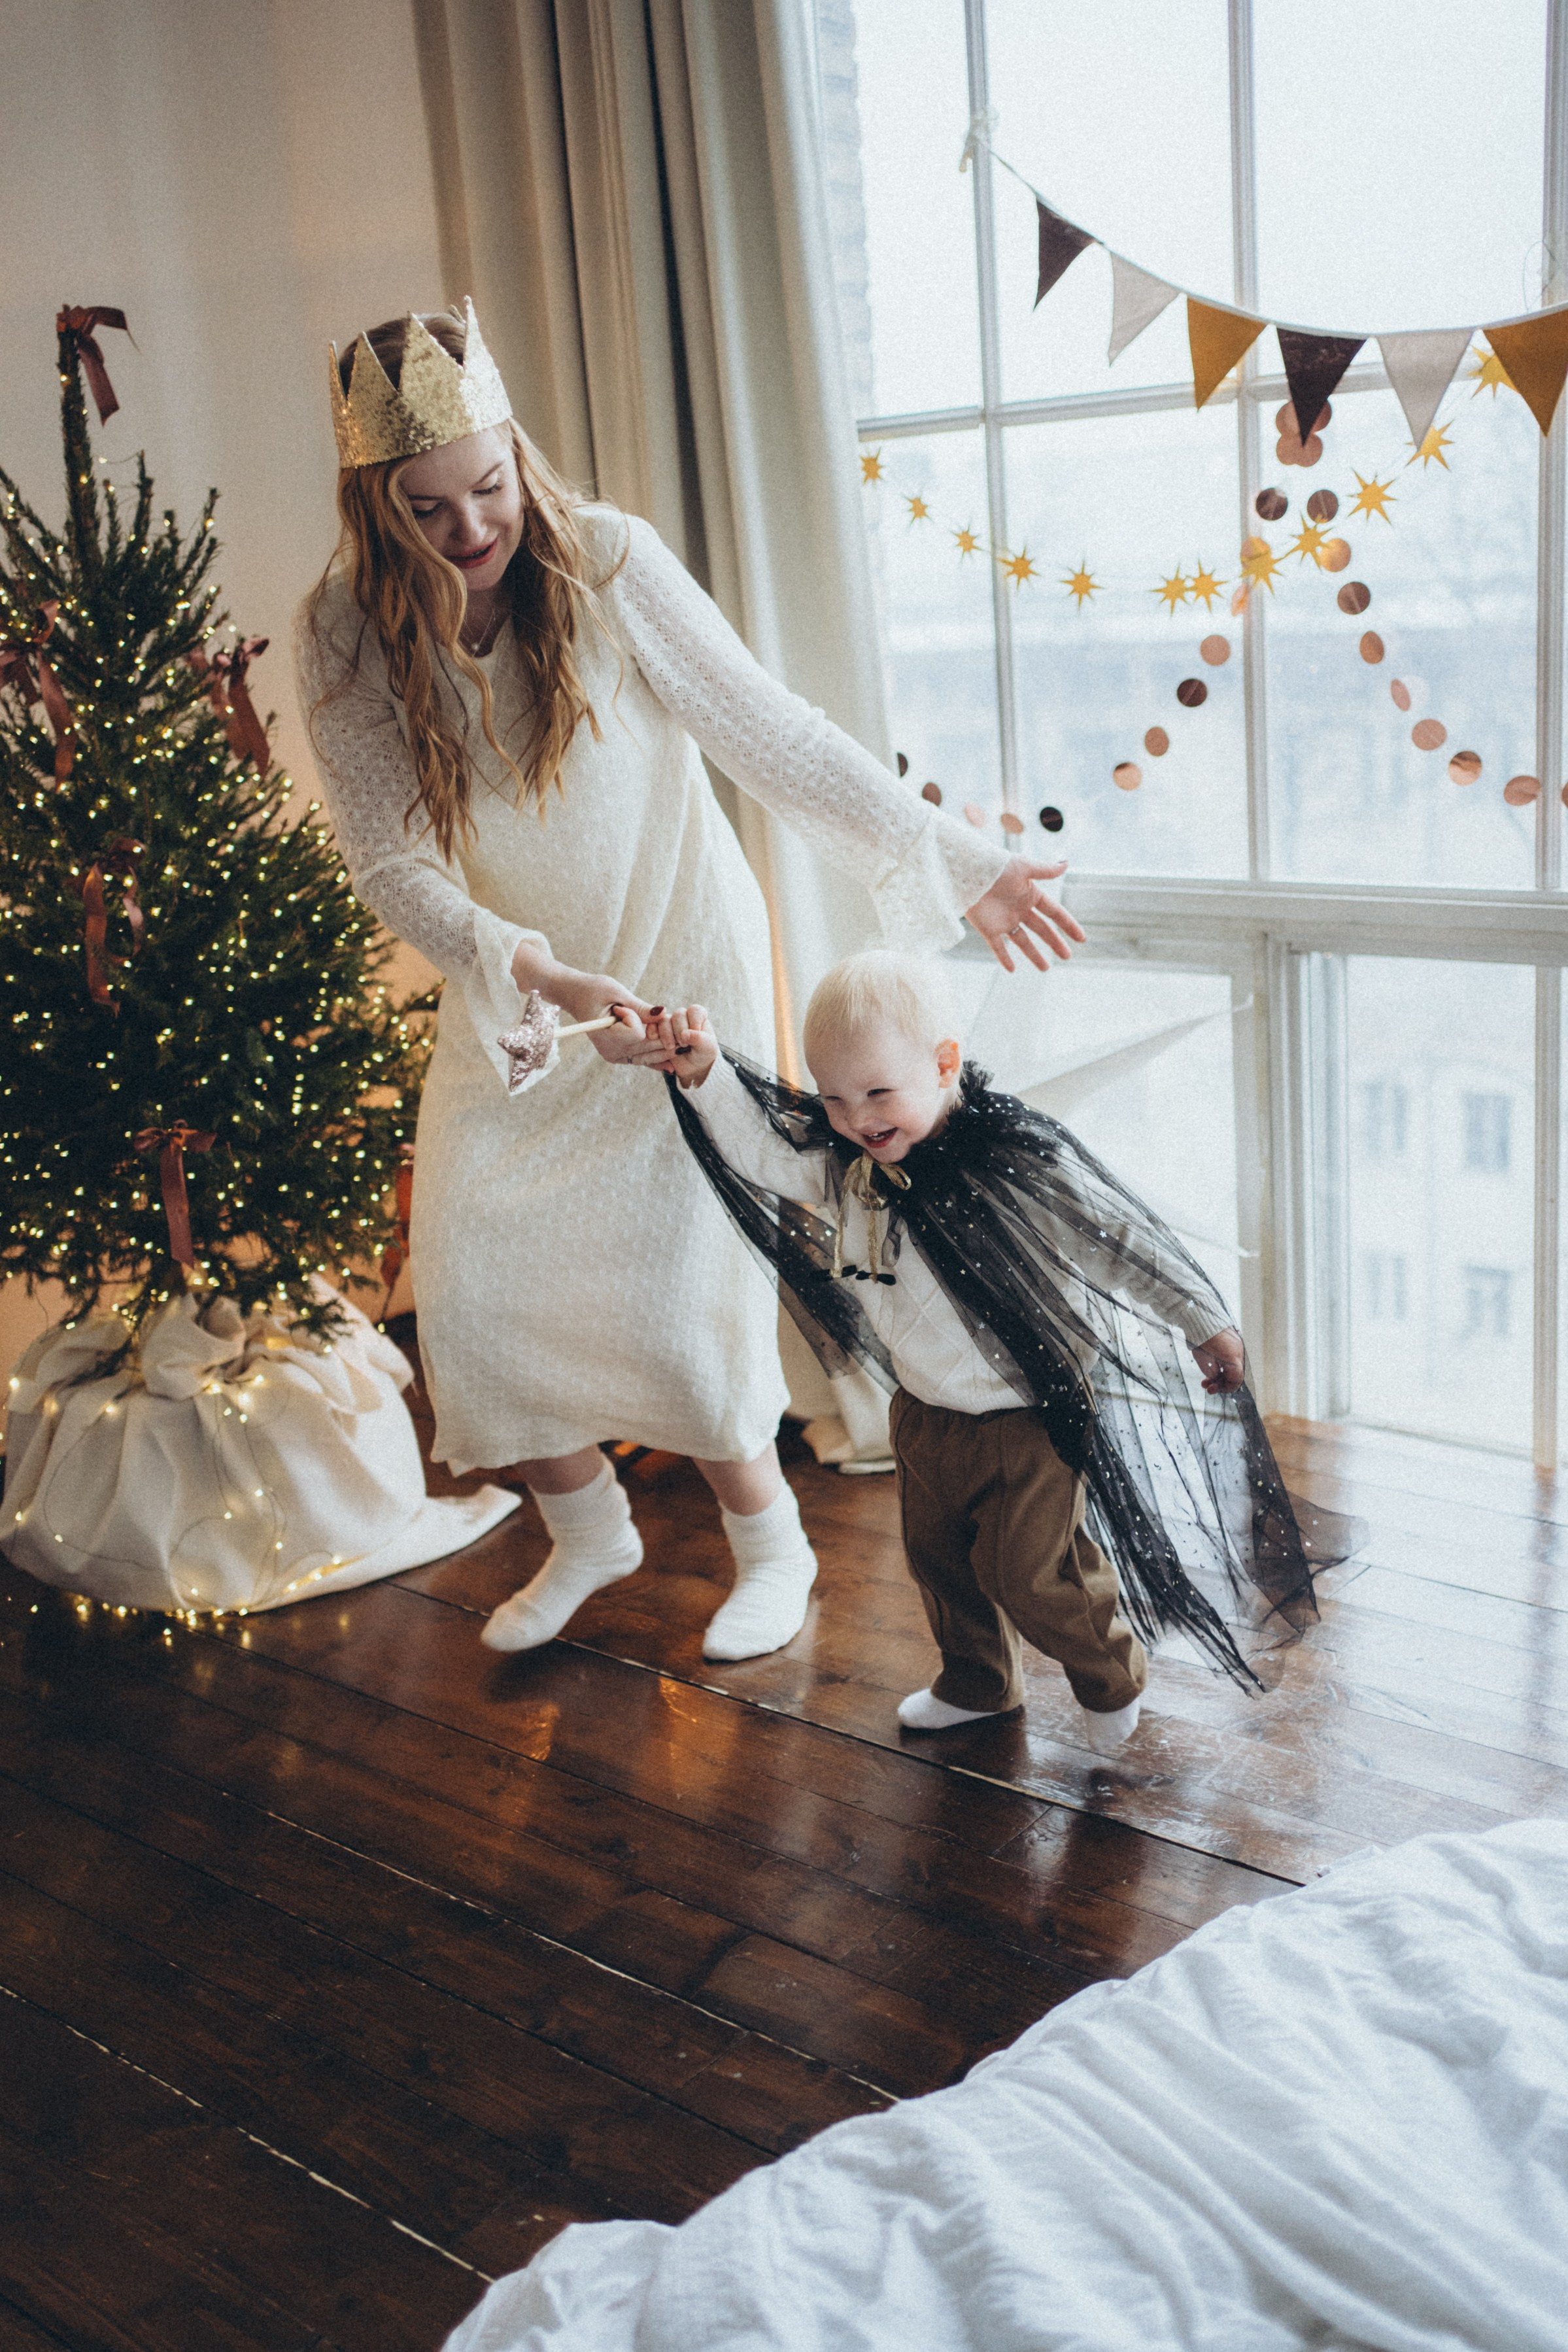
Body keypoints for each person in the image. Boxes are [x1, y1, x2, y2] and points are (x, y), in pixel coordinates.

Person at [293, 301, 1083, 1666]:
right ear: (375, 507)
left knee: (681, 1280)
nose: (472, 527)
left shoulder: (605, 561)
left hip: (672, 958)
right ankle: (586, 1528)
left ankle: (767, 1542)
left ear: (516, 459)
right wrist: (524, 965)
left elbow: (770, 734)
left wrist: (960, 863)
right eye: (429, 508)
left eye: (488, 487)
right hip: (520, 991)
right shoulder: (340, 629)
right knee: (470, 1277)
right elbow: (387, 856)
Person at [641, 951, 1321, 1748]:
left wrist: (1201, 1317)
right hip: (926, 1411)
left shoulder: (1012, 1159)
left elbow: (1119, 1240)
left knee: (1031, 1573)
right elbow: (764, 1158)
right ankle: (979, 1682)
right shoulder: (851, 1170)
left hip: (1026, 1414)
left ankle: (1107, 1674)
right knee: (942, 1564)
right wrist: (708, 1074)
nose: (857, 1117)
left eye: (877, 1092)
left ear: (943, 1064)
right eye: (833, 1097)